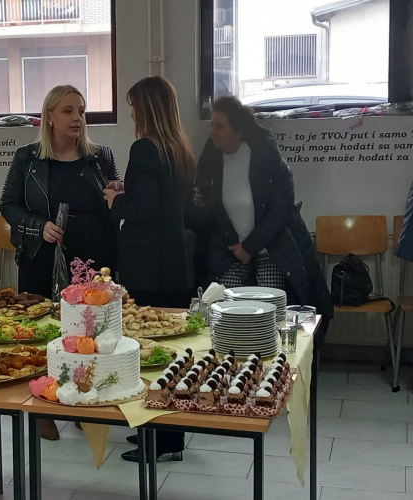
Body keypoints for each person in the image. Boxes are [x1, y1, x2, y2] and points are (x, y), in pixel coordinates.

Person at [0, 84, 117, 441]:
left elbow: (114, 204)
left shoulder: (101, 156)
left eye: (81, 111)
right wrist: (38, 226)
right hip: (41, 255)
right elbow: (8, 205)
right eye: (67, 111)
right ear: (49, 116)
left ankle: (82, 400)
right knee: (45, 333)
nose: (76, 118)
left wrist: (120, 196)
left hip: (91, 258)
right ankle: (43, 407)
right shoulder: (28, 158)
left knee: (87, 334)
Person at [104, 75, 195, 463]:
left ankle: (159, 438)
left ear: (146, 109)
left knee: (151, 352)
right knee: (172, 352)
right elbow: (165, 203)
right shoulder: (177, 147)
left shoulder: (144, 148)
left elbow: (144, 209)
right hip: (175, 260)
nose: (131, 114)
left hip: (149, 264)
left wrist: (115, 201)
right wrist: (131, 195)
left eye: (134, 106)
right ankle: (168, 433)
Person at [188, 96, 332, 322]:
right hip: (230, 249)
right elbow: (208, 216)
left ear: (238, 130)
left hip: (270, 247)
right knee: (221, 309)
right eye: (211, 126)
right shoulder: (211, 157)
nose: (212, 132)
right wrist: (201, 202)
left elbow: (281, 210)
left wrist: (250, 246)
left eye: (220, 127)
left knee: (268, 311)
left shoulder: (265, 154)